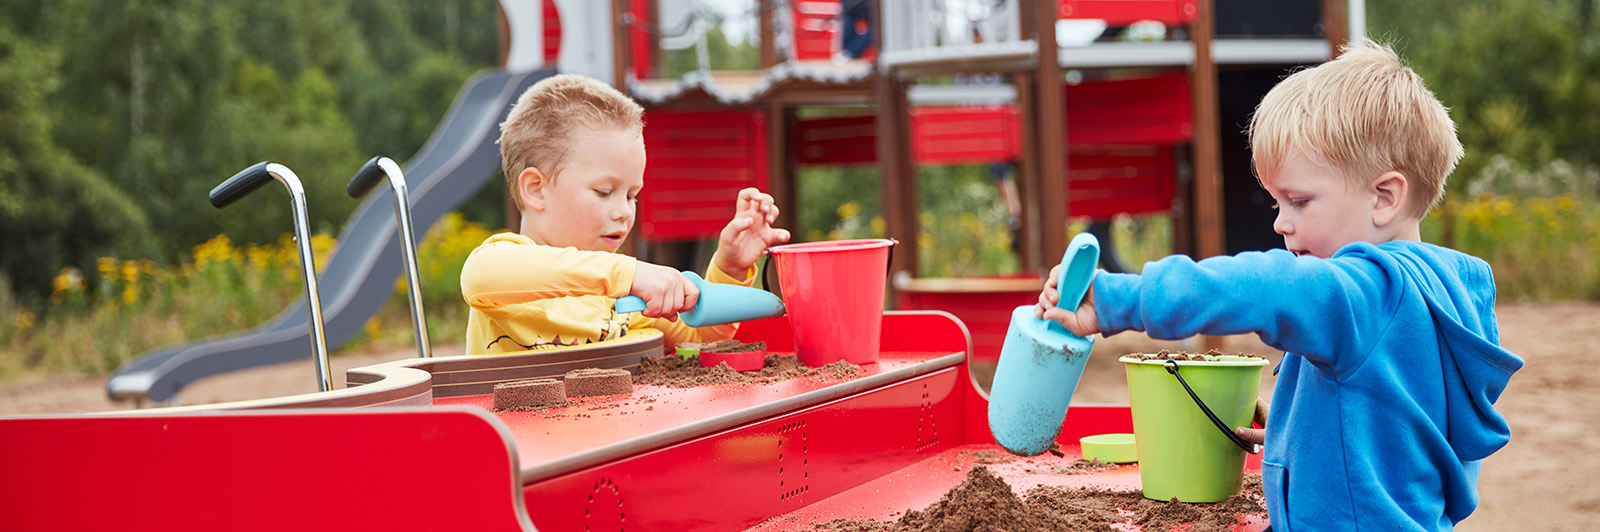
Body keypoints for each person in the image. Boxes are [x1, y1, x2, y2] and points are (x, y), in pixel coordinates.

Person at [1035, 43, 1522, 531]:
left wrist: (1120, 299)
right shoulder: (1441, 294)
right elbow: (1401, 431)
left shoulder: (1365, 292)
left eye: (1299, 201)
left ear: (1384, 198)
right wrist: (1299, 428)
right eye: (1276, 204)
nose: (1281, 224)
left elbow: (1261, 287)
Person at [461, 74, 790, 354]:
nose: (623, 212)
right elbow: (481, 273)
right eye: (604, 192)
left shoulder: (623, 300)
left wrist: (730, 268)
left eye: (633, 195)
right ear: (536, 189)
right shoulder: (505, 271)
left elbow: (699, 338)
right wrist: (628, 273)